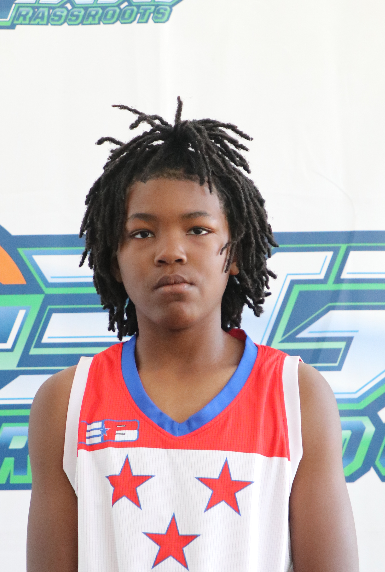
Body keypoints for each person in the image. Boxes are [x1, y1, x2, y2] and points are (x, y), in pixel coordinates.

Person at [27, 98, 359, 572]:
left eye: (198, 229)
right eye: (142, 234)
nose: (171, 252)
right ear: (112, 258)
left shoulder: (296, 395)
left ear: (235, 252)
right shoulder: (67, 401)